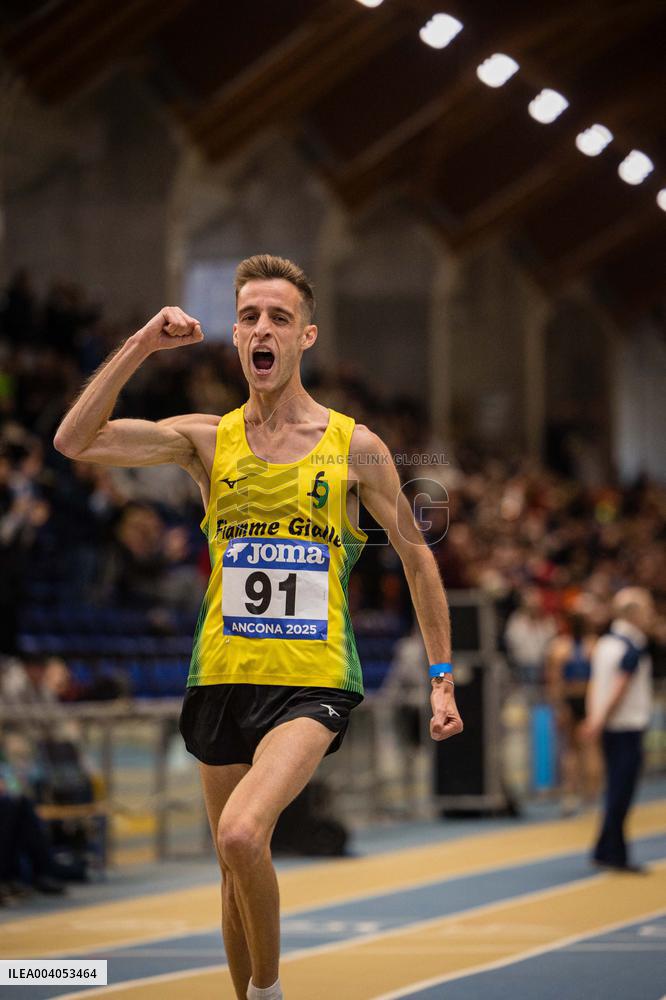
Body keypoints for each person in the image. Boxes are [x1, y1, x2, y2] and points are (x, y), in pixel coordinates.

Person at [53, 254, 463, 1000]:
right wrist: (143, 342)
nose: (262, 329)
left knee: (243, 835)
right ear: (236, 338)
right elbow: (76, 441)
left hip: (312, 682)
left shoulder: (355, 445)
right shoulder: (207, 439)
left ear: (306, 336)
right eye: (249, 317)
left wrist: (442, 678)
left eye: (278, 317)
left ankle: (269, 994)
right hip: (220, 676)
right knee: (231, 866)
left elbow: (417, 559)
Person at [583, 587, 654, 873]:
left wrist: (594, 717)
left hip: (610, 726)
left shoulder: (604, 644)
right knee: (620, 791)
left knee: (615, 787)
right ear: (634, 614)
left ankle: (607, 847)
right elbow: (619, 688)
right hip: (626, 726)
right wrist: (598, 719)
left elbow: (596, 685)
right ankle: (613, 852)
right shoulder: (631, 646)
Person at [546, 613, 600, 815]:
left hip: (571, 697)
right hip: (587, 698)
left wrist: (558, 706)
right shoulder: (594, 646)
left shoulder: (560, 647)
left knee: (570, 749)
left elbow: (555, 681)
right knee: (591, 748)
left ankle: (570, 795)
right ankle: (591, 797)